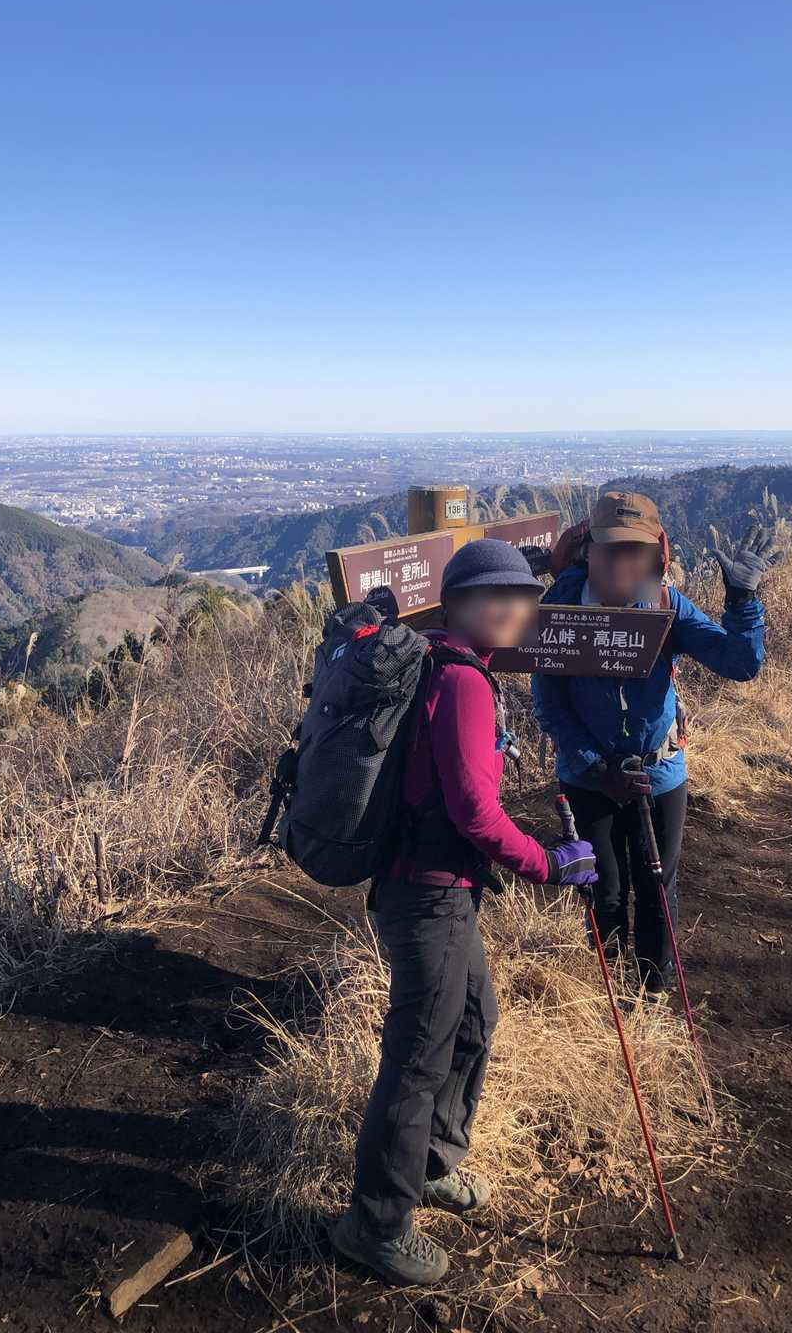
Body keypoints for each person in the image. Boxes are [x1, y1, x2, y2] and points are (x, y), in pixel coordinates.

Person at [330, 538, 597, 1288]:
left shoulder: (446, 666)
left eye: (522, 596)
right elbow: (476, 814)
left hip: (431, 887)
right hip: (431, 893)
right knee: (417, 1057)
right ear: (454, 605)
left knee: (475, 1019)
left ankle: (432, 1163)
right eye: (493, 596)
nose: (512, 608)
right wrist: (550, 864)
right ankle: (374, 1224)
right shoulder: (463, 681)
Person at [532, 492, 778, 992]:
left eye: (636, 550)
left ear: (655, 554)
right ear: (589, 550)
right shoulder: (560, 609)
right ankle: (605, 993)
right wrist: (597, 767)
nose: (622, 561)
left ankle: (653, 992)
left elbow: (740, 664)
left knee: (657, 886)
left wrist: (742, 602)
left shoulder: (665, 604)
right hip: (589, 779)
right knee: (604, 889)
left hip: (658, 772)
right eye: (611, 548)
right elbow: (550, 706)